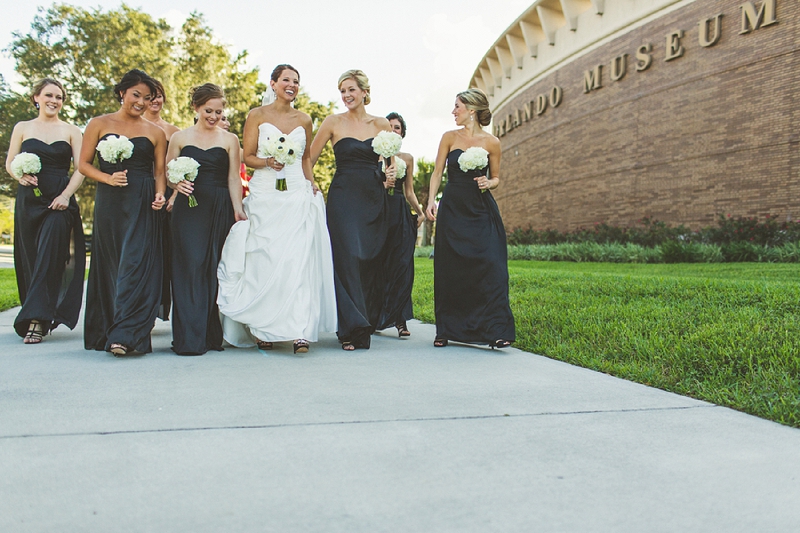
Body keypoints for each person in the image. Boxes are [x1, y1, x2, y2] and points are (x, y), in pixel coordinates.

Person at [217, 64, 336, 353]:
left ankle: (299, 330)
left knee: (298, 259)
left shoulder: (305, 119)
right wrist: (269, 162)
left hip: (296, 192)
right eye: (286, 80)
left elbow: (306, 157)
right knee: (264, 257)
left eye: (296, 81)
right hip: (266, 193)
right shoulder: (257, 116)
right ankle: (263, 328)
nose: (292, 85)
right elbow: (247, 157)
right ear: (273, 83)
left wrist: (312, 181)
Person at [80, 69, 167, 356]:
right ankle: (106, 330)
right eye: (136, 95)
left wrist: (159, 194)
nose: (141, 102)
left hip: (143, 202)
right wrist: (107, 178)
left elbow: (160, 172)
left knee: (136, 264)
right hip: (110, 200)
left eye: (147, 97)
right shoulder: (99, 123)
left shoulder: (156, 133)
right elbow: (83, 164)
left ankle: (126, 335)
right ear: (122, 93)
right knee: (110, 263)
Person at [309, 69, 396, 350]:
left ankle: (366, 320)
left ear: (364, 92)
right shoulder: (333, 122)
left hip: (373, 197)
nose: (346, 96)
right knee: (348, 257)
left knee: (369, 259)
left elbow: (390, 164)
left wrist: (389, 176)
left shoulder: (381, 124)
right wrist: (311, 185)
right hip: (344, 197)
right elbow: (308, 159)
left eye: (351, 90)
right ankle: (350, 329)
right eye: (342, 91)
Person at [425, 89, 515, 348]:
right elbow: (437, 172)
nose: (453, 111)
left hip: (480, 210)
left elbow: (496, 178)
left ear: (471, 110)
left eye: (457, 107)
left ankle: (496, 330)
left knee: (491, 266)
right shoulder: (449, 138)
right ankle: (446, 329)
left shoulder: (492, 142)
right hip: (453, 208)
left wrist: (490, 181)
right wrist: (431, 201)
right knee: (450, 268)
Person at [5, 78, 85, 344]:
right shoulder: (22, 127)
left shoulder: (72, 130)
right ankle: (37, 312)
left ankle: (36, 321)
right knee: (32, 259)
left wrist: (66, 196)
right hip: (30, 201)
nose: (54, 101)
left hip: (59, 202)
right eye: (49, 95)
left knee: (50, 257)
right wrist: (19, 175)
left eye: (59, 97)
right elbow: (9, 163)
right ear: (36, 97)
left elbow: (81, 169)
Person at [167, 84, 243, 355]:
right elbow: (168, 174)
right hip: (189, 208)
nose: (213, 116)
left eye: (218, 111)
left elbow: (234, 177)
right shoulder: (178, 137)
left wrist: (238, 209)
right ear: (196, 108)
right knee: (189, 265)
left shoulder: (230, 139)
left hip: (220, 206)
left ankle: (211, 334)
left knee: (213, 267)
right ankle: (189, 337)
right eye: (208, 110)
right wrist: (177, 184)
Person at [377, 112, 425, 337]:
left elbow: (409, 192)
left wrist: (420, 212)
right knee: (379, 266)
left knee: (402, 267)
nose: (393, 130)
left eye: (397, 127)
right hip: (378, 214)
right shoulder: (373, 155)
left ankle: (401, 319)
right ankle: (375, 315)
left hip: (400, 214)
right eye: (389, 127)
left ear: (402, 133)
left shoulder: (407, 158)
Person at [144, 79, 180, 321]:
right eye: (151, 95)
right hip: (139, 191)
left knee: (164, 252)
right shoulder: (133, 127)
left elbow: (180, 170)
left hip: (166, 196)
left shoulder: (173, 131)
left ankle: (158, 306)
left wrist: (174, 194)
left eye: (159, 95)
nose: (156, 100)